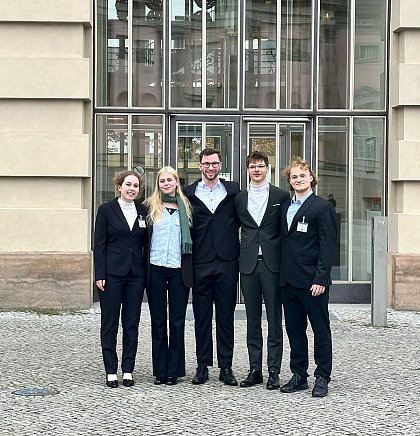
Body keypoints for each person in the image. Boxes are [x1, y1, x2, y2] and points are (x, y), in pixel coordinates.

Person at [279, 157, 337, 398]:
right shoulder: (285, 206)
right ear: (289, 181)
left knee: (320, 330)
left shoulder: (322, 207)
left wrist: (321, 279)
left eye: (302, 175)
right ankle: (299, 374)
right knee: (294, 330)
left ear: (311, 178)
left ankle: (322, 376)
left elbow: (328, 246)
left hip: (313, 282)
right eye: (294, 177)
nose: (298, 179)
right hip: (288, 281)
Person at [184, 147, 240, 386]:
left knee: (226, 317)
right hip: (200, 261)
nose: (210, 167)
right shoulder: (187, 193)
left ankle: (226, 367)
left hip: (227, 261)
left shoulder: (234, 190)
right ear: (200, 166)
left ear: (220, 165)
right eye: (206, 163)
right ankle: (202, 365)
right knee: (202, 316)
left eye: (215, 163)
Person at [234, 151, 290, 390]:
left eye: (260, 166)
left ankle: (274, 371)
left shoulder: (281, 195)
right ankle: (255, 369)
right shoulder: (240, 198)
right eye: (252, 166)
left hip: (272, 264)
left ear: (268, 168)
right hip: (248, 265)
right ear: (247, 170)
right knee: (252, 320)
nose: (256, 170)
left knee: (275, 319)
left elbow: (286, 231)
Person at [93, 171, 148, 388]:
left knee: (131, 323)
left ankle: (128, 369)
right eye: (128, 184)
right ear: (119, 186)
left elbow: (146, 243)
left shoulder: (143, 210)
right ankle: (110, 370)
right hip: (112, 275)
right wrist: (100, 274)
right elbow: (100, 244)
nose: (131, 188)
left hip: (135, 275)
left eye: (135, 185)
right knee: (110, 323)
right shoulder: (106, 210)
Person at [144, 166, 193, 386]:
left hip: (177, 270)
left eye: (169, 180)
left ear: (176, 182)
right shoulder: (149, 207)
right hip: (155, 268)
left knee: (176, 322)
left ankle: (174, 370)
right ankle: (160, 370)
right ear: (158, 183)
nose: (166, 184)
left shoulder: (187, 207)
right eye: (162, 181)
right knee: (158, 321)